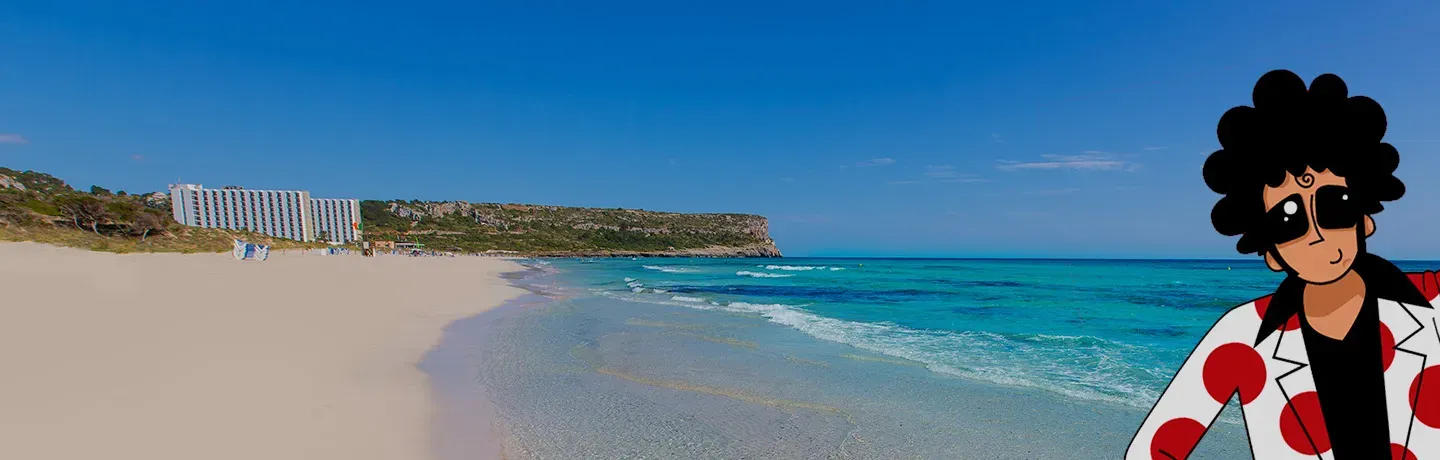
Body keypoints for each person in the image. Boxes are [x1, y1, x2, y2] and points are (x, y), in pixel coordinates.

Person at [1125, 69, 1440, 459]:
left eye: (1335, 206)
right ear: (1271, 253)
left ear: (1365, 219)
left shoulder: (1433, 304)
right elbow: (1155, 447)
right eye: (1289, 221)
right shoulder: (1242, 337)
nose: (1317, 233)